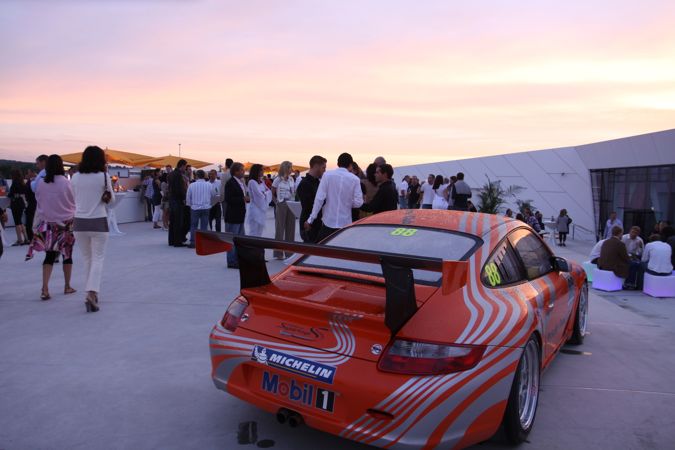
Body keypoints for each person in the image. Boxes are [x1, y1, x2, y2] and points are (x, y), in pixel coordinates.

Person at [25, 155, 76, 301]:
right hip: (66, 224)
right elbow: (72, 202)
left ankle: (45, 288)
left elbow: (39, 203)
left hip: (48, 224)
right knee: (67, 255)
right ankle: (67, 286)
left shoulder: (41, 183)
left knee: (49, 256)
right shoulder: (66, 183)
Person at [71, 146, 115, 312]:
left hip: (79, 223)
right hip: (98, 221)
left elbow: (73, 198)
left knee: (87, 259)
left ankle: (91, 294)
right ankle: (91, 292)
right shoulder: (103, 176)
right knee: (98, 258)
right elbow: (111, 200)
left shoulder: (75, 177)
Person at [305, 152, 363, 242]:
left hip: (328, 222)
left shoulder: (327, 176)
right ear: (350, 165)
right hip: (345, 223)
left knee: (323, 251)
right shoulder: (355, 179)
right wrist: (347, 203)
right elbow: (359, 202)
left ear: (338, 164)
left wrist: (310, 219)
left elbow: (319, 199)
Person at [224, 162, 248, 268]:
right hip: (233, 216)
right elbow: (228, 199)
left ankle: (237, 259)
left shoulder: (239, 182)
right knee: (232, 240)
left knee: (239, 239)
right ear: (235, 171)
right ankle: (232, 261)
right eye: (242, 170)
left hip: (239, 215)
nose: (243, 172)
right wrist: (243, 199)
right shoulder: (231, 183)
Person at [297, 155, 327, 243]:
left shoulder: (318, 182)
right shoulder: (304, 184)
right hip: (308, 225)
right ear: (316, 166)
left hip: (317, 223)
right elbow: (309, 206)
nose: (324, 171)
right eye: (323, 168)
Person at [272, 161, 297, 259]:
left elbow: (293, 191)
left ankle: (289, 252)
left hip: (291, 203)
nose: (292, 170)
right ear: (286, 168)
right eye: (290, 168)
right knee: (280, 228)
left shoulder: (291, 179)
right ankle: (278, 253)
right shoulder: (277, 179)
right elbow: (272, 192)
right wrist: (276, 202)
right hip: (281, 203)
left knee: (291, 228)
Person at [186, 170, 213, 248]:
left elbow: (188, 197)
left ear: (196, 176)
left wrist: (190, 205)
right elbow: (214, 195)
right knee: (204, 226)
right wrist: (210, 204)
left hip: (195, 207)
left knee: (194, 225)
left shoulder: (192, 185)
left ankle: (193, 242)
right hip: (206, 207)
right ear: (204, 176)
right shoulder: (209, 185)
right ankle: (203, 242)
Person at [246, 164, 272, 237]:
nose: (263, 171)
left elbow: (269, 191)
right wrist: (265, 193)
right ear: (256, 171)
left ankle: (257, 247)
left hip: (262, 209)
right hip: (255, 209)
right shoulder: (252, 182)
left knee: (260, 231)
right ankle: (252, 247)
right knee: (253, 231)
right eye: (261, 170)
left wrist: (264, 193)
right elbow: (259, 195)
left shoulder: (261, 181)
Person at [168, 159, 189, 247]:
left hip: (171, 200)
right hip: (178, 201)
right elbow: (180, 189)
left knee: (172, 221)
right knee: (178, 222)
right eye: (185, 167)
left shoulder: (171, 174)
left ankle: (171, 241)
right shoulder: (179, 175)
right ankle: (177, 242)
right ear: (182, 166)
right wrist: (184, 198)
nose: (185, 169)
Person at [8, 169, 29, 245]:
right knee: (20, 221)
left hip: (15, 203)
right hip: (21, 202)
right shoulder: (22, 182)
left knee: (17, 222)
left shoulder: (14, 183)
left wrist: (9, 194)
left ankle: (20, 240)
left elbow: (10, 194)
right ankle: (26, 238)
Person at [25, 168, 38, 242]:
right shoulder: (31, 180)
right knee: (30, 222)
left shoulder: (35, 181)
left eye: (29, 172)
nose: (28, 174)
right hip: (31, 203)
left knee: (30, 222)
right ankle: (31, 238)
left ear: (33, 173)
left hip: (33, 203)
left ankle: (32, 238)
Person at [220, 158, 233, 225]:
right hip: (236, 199)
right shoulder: (236, 174)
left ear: (226, 165)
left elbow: (222, 188)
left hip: (226, 199)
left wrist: (221, 199)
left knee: (227, 218)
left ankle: (228, 234)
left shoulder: (224, 174)